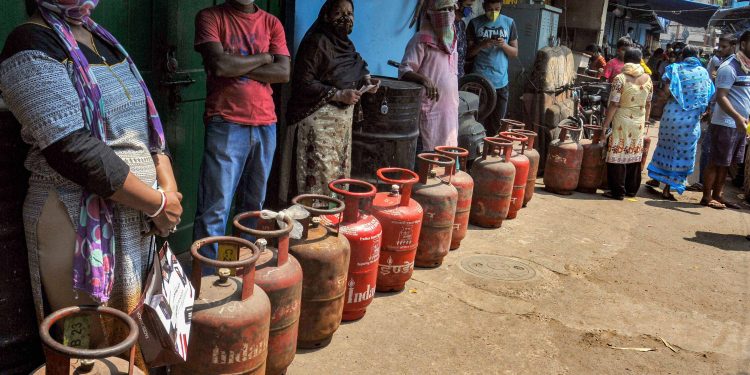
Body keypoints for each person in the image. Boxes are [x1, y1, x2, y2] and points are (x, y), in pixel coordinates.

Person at [0, 0, 183, 364]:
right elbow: (70, 147)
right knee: (88, 344)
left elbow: (147, 125)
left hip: (141, 214)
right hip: (76, 220)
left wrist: (168, 188)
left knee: (134, 335)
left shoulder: (103, 38)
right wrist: (158, 204)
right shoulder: (28, 43)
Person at [193, 0, 290, 261]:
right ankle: (210, 278)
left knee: (253, 208)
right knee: (215, 208)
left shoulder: (272, 23)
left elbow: (283, 72)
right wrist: (264, 58)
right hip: (226, 122)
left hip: (265, 124)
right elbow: (220, 66)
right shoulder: (210, 17)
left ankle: (241, 267)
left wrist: (240, 64)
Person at [283, 0, 378, 197]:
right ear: (326, 16)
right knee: (317, 176)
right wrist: (338, 94)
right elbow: (303, 82)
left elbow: (356, 66)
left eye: (350, 13)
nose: (346, 18)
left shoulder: (346, 45)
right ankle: (312, 220)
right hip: (316, 126)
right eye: (339, 13)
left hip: (339, 128)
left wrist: (367, 81)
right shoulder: (316, 42)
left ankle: (332, 217)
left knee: (336, 177)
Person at [645, 46, 715, 199]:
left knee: (664, 147)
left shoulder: (674, 69)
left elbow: (666, 92)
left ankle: (656, 179)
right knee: (680, 154)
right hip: (689, 122)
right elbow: (709, 95)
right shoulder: (703, 73)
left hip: (671, 116)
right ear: (697, 56)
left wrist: (658, 104)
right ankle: (667, 189)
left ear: (682, 56)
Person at [399, 0, 460, 151]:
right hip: (430, 111)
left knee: (448, 154)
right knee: (427, 157)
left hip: (449, 111)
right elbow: (404, 70)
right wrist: (424, 80)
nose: (447, 14)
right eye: (442, 10)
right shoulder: (421, 40)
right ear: (431, 14)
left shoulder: (453, 39)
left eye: (450, 9)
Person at [702, 30, 750, 210]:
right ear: (743, 44)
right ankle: (707, 197)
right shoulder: (728, 67)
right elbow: (721, 97)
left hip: (739, 125)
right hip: (726, 123)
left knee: (727, 163)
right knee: (716, 161)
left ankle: (718, 195)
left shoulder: (745, 66)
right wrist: (737, 117)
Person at [601, 48, 653, 200]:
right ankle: (631, 190)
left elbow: (614, 104)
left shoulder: (620, 78)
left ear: (625, 60)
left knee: (617, 153)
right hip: (639, 121)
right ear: (640, 60)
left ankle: (617, 191)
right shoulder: (648, 79)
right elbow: (649, 103)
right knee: (634, 154)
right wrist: (646, 119)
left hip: (621, 120)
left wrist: (605, 126)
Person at [687, 36, 737, 192]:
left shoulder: (728, 65)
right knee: (712, 151)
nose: (720, 50)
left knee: (712, 151)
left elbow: (720, 93)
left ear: (734, 46)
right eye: (719, 47)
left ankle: (708, 187)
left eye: (724, 47)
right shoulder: (723, 63)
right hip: (719, 113)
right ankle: (708, 187)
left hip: (724, 116)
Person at [467, 0, 518, 135]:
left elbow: (515, 52)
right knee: (477, 122)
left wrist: (504, 45)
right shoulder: (474, 23)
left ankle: (490, 152)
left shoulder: (509, 23)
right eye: (490, 9)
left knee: (497, 124)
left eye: (497, 9)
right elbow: (468, 53)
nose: (494, 12)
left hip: (501, 82)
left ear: (501, 7)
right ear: (484, 7)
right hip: (479, 82)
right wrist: (482, 45)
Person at [455, 0, 475, 78]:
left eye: (471, 6)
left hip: (460, 72)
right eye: (468, 5)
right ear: (457, 4)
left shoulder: (462, 24)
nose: (469, 9)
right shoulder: (448, 24)